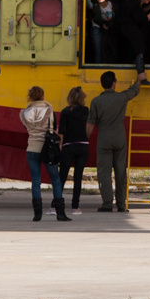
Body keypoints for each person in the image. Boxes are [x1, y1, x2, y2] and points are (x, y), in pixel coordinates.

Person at [89, 70, 142, 212]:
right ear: (114, 83)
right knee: (120, 172)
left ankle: (107, 204)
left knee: (104, 172)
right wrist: (139, 80)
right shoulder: (122, 97)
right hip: (119, 138)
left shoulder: (96, 101)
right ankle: (121, 204)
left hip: (104, 139)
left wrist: (84, 139)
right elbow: (133, 91)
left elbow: (90, 124)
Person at [20, 86, 69, 221]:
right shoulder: (49, 108)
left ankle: (37, 214)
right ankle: (60, 213)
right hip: (48, 149)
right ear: (42, 96)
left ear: (30, 96)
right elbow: (53, 128)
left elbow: (27, 128)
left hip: (32, 149)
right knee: (55, 180)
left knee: (36, 181)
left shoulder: (25, 112)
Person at [58, 86, 91, 214]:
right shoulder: (85, 111)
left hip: (69, 145)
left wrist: (61, 145)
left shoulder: (65, 111)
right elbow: (88, 127)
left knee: (62, 177)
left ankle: (55, 206)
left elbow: (61, 132)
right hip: (83, 145)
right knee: (78, 177)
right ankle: (75, 207)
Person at [117, 0, 150, 85]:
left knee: (135, 49)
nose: (146, 2)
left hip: (125, 27)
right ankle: (141, 75)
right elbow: (144, 19)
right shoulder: (134, 3)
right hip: (130, 27)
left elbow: (141, 12)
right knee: (140, 49)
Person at [88, 0, 116, 64]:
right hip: (97, 28)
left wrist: (110, 25)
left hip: (109, 29)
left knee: (109, 48)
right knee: (98, 50)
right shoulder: (95, 6)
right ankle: (99, 66)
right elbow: (87, 3)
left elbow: (117, 17)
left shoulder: (111, 4)